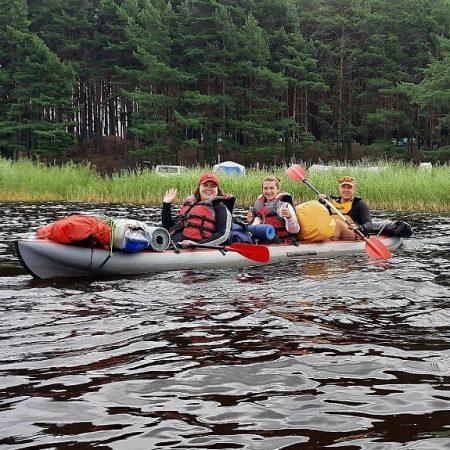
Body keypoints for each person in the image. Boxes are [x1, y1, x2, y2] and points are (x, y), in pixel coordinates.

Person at [162, 173, 234, 248]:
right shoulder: (191, 204)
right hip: (172, 245)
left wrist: (198, 245)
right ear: (199, 187)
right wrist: (166, 204)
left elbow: (223, 235)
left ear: (217, 189)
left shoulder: (220, 208)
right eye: (205, 185)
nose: (209, 188)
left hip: (195, 248)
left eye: (213, 186)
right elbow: (168, 227)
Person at [247, 175, 299, 243]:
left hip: (283, 242)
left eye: (271, 188)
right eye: (265, 188)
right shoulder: (261, 205)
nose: (268, 191)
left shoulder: (284, 205)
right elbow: (256, 224)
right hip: (266, 239)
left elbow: (295, 230)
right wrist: (250, 222)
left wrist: (289, 217)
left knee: (266, 234)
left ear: (277, 189)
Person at [319, 175, 372, 239]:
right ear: (339, 188)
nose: (346, 190)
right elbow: (320, 218)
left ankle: (328, 244)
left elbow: (368, 224)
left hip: (353, 234)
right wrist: (320, 202)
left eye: (349, 187)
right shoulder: (330, 202)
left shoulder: (359, 204)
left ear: (354, 189)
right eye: (343, 187)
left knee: (338, 223)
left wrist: (358, 227)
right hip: (332, 232)